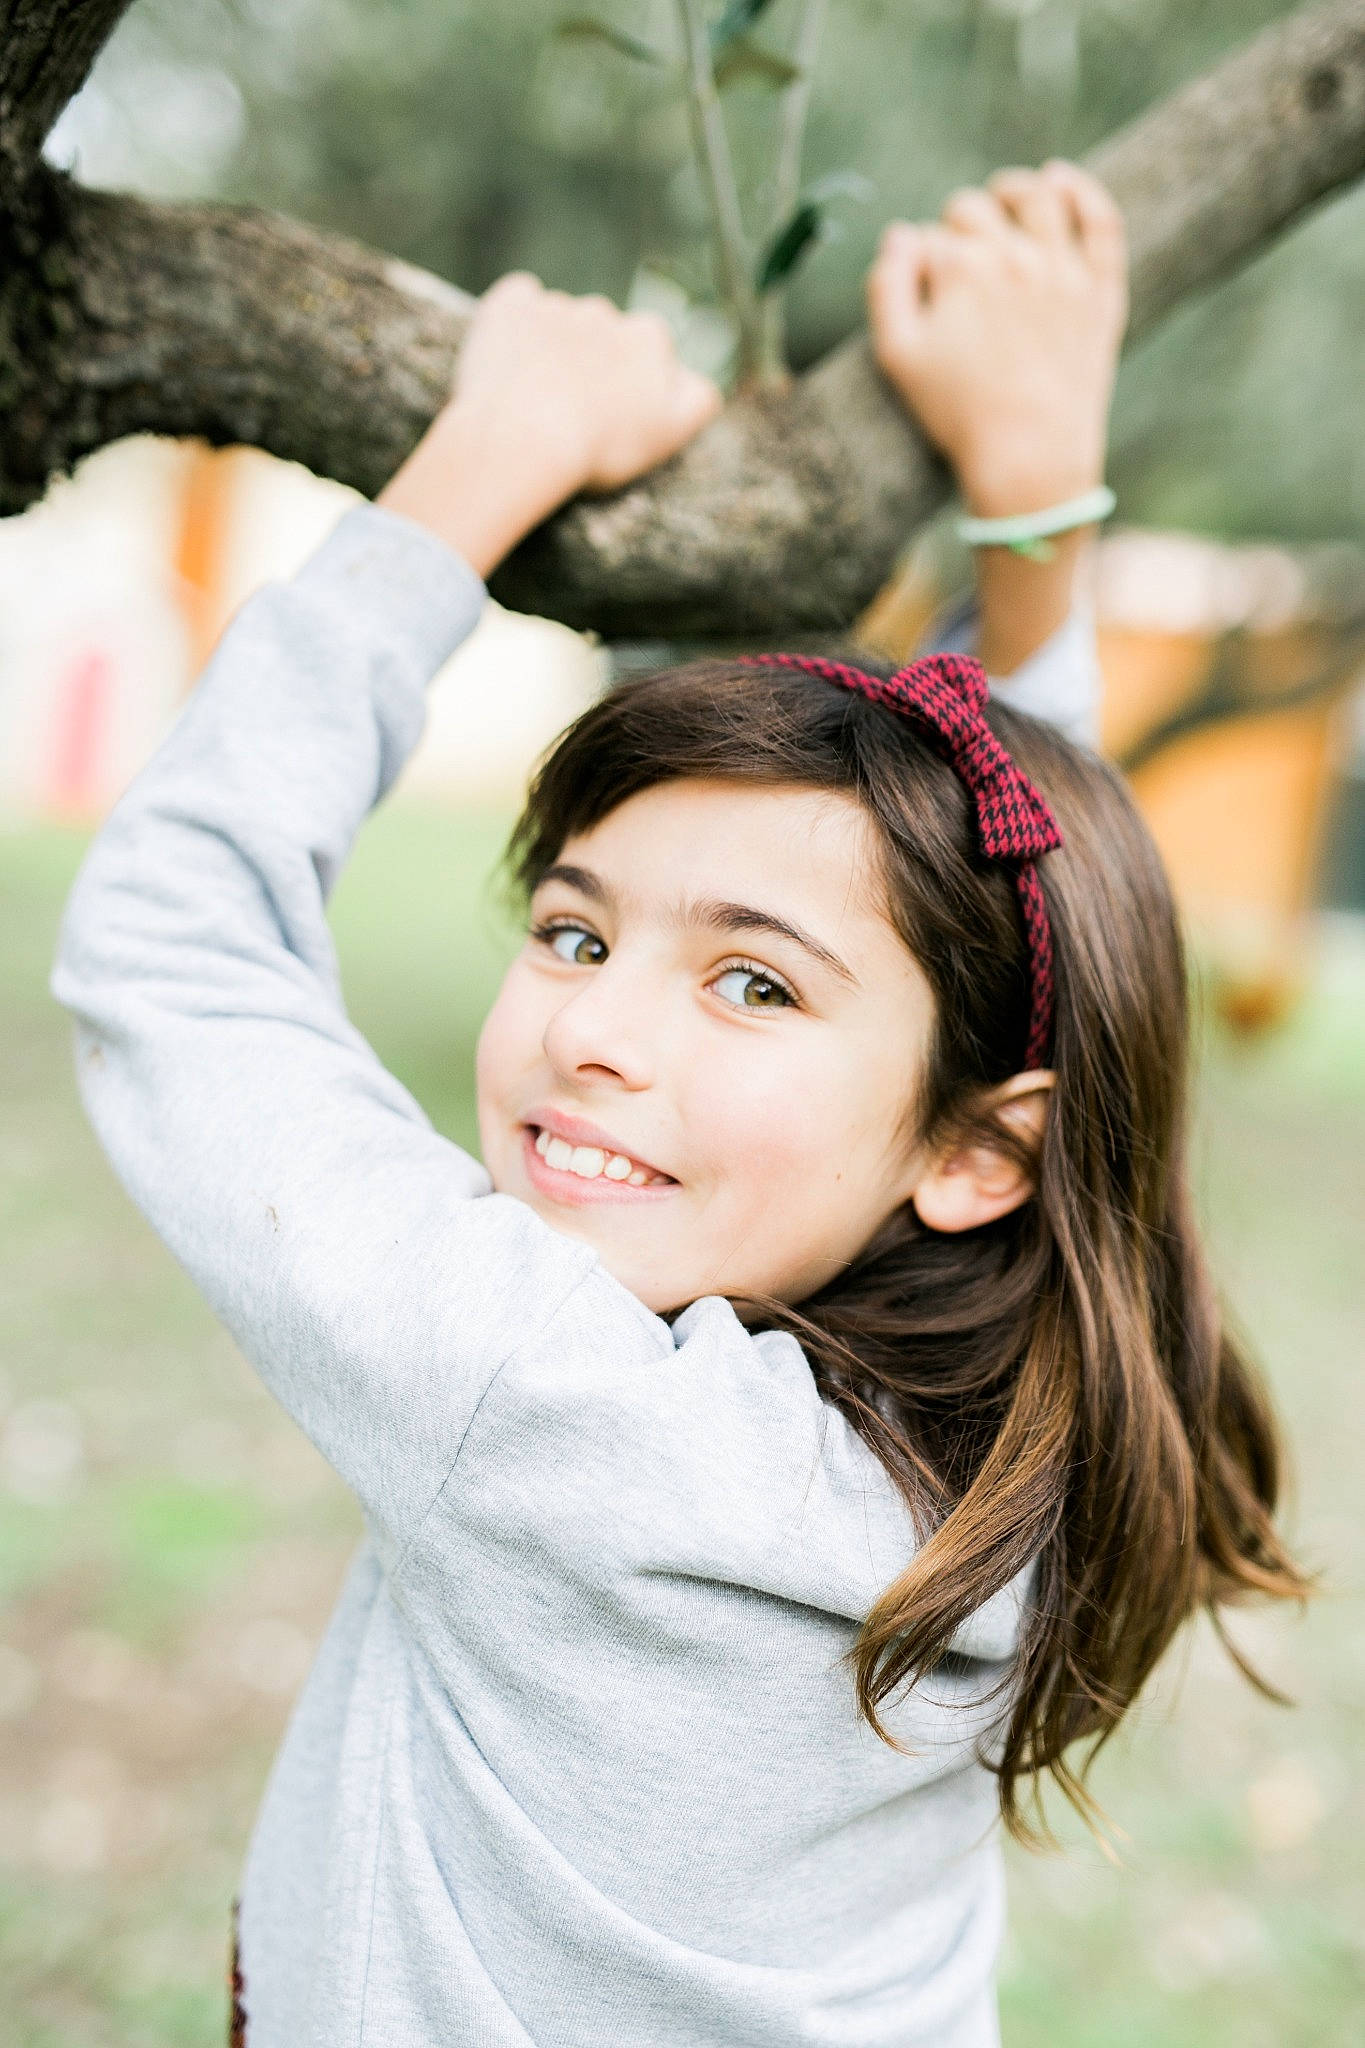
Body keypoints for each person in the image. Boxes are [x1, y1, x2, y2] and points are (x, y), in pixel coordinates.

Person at [53, 162, 1305, 2048]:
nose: (594, 1036)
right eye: (571, 933)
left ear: (977, 1151)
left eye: (748, 981)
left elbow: (172, 943)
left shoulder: (544, 1400)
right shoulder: (1019, 1432)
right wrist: (1034, 490)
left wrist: (483, 465)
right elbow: (1040, 948)